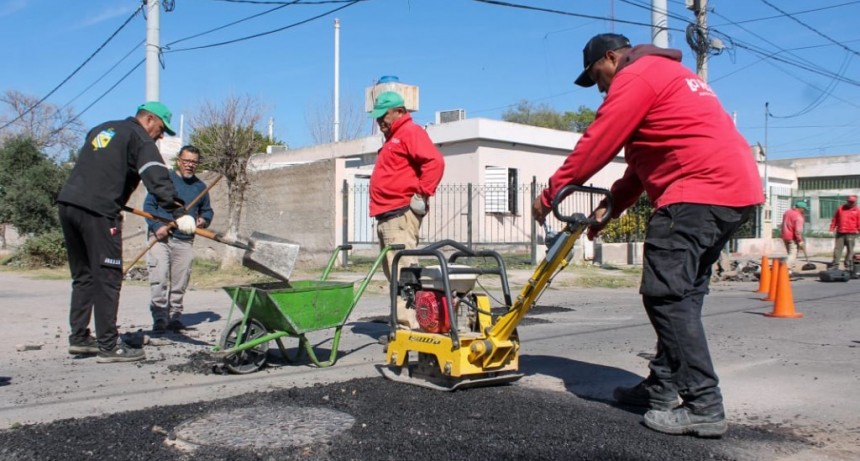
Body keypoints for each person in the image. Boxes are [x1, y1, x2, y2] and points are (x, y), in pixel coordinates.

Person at [531, 33, 763, 437]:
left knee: (665, 295)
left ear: (610, 58)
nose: (600, 87)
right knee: (683, 295)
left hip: (696, 193)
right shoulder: (670, 75)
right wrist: (611, 207)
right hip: (732, 193)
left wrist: (553, 192)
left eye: (597, 76)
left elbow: (598, 142)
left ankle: (703, 405)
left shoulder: (636, 76)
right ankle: (663, 385)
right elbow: (641, 164)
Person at [58, 102, 197, 363]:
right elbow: (156, 177)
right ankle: (109, 347)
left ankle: (79, 338)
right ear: (149, 120)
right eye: (161, 128)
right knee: (108, 276)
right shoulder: (139, 137)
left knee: (84, 275)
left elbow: (102, 170)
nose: (161, 135)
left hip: (68, 205)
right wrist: (179, 212)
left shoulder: (102, 129)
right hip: (98, 212)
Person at [368, 91, 445, 327]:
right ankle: (407, 325)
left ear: (400, 112)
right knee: (396, 273)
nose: (380, 120)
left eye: (384, 115)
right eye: (378, 116)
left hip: (399, 214)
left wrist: (422, 193)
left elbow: (435, 162)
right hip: (388, 215)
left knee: (403, 274)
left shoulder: (410, 132)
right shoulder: (394, 138)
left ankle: (408, 329)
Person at [144, 145, 214, 333]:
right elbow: (148, 206)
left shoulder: (200, 187)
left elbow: (207, 210)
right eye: (186, 161)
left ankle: (175, 317)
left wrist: (203, 219)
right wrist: (157, 227)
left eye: (194, 162)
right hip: (161, 238)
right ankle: (159, 318)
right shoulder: (165, 180)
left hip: (184, 240)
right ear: (179, 161)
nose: (190, 165)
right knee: (158, 278)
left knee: (180, 282)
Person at [829, 195, 859, 271]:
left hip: (851, 232)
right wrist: (831, 229)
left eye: (852, 202)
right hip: (840, 232)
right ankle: (835, 264)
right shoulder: (840, 209)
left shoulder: (857, 211)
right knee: (838, 249)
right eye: (849, 202)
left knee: (850, 250)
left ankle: (848, 264)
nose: (850, 203)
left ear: (855, 202)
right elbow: (835, 219)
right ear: (847, 201)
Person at [780, 200, 808, 273]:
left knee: (789, 253)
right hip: (792, 237)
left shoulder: (787, 212)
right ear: (800, 208)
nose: (804, 211)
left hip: (784, 236)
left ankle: (790, 268)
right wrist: (800, 240)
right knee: (793, 254)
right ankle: (786, 269)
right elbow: (798, 231)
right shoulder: (799, 217)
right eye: (804, 209)